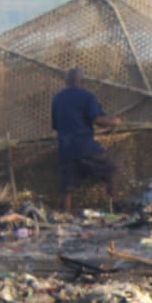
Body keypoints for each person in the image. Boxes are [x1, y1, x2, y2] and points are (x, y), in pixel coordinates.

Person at [51, 68, 121, 208]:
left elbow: (55, 126)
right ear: (82, 81)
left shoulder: (57, 99)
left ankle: (66, 216)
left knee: (67, 188)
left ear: (66, 82)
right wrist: (114, 122)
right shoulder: (87, 96)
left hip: (65, 150)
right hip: (86, 148)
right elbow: (98, 120)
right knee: (111, 170)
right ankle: (117, 205)